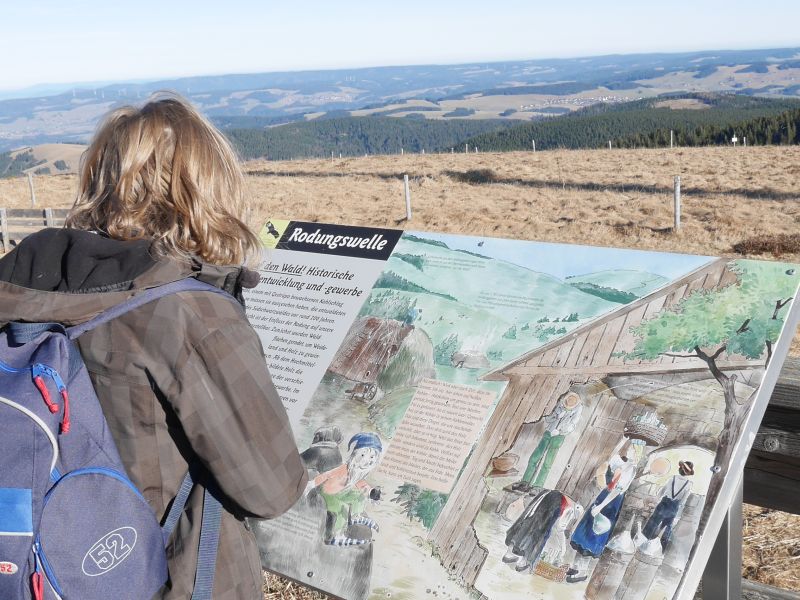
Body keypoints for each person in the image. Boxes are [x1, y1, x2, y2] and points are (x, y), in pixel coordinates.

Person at [0, 95, 307, 600]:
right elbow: (270, 491)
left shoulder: (22, 280)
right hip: (167, 576)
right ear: (207, 184)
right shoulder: (188, 311)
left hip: (50, 570)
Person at [566, 436, 643, 584]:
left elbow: (617, 491)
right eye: (630, 447)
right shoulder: (620, 462)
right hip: (603, 497)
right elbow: (610, 458)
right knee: (586, 530)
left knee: (594, 534)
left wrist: (600, 507)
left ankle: (582, 571)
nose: (630, 450)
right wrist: (622, 440)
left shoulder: (631, 469)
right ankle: (576, 567)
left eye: (633, 449)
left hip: (611, 503)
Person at [306, 432, 383, 545]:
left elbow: (360, 484)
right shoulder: (344, 468)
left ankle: (355, 516)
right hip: (329, 494)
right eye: (362, 455)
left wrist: (371, 492)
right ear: (355, 454)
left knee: (359, 495)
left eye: (371, 457)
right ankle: (336, 535)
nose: (366, 461)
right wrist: (312, 484)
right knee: (343, 508)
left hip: (342, 492)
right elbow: (327, 475)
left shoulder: (357, 473)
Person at [513, 391, 583, 493]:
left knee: (547, 463)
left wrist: (560, 430)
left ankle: (537, 486)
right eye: (569, 399)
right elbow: (548, 419)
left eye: (573, 400)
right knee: (534, 457)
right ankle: (525, 482)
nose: (570, 401)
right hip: (548, 433)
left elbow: (572, 425)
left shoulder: (577, 410)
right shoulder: (560, 405)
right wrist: (556, 416)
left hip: (558, 437)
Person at [641, 460, 694, 549]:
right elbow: (684, 499)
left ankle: (642, 541)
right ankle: (661, 548)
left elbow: (663, 489)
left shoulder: (672, 478)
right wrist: (678, 505)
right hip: (674, 506)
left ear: (680, 469)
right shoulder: (689, 484)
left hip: (664, 503)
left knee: (653, 523)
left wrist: (657, 498)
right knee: (667, 527)